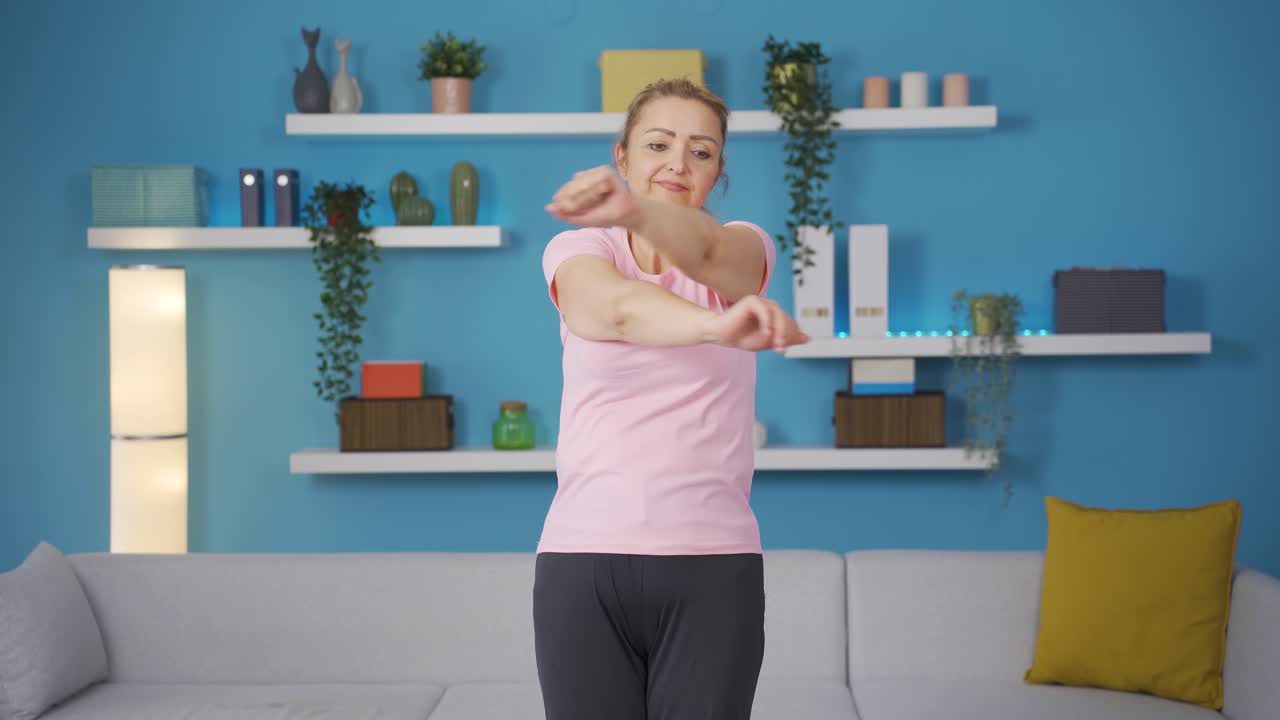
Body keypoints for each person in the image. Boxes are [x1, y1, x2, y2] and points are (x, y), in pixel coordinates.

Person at [533, 78, 810, 720]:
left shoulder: (745, 247)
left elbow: (709, 250)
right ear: (622, 156)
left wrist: (630, 210)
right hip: (582, 563)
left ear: (718, 171)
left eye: (702, 152)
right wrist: (717, 326)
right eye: (658, 144)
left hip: (713, 567)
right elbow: (613, 311)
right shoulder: (581, 248)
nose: (678, 165)